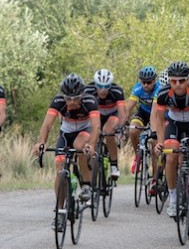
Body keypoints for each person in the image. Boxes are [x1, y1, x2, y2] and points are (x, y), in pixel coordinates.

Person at [32, 74, 100, 229]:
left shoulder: (90, 101)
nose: (72, 102)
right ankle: (60, 211)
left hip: (84, 132)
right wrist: (41, 142)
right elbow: (47, 125)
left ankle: (86, 184)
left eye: (76, 98)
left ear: (82, 95)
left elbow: (96, 127)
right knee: (60, 168)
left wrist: (91, 145)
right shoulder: (58, 101)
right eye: (68, 98)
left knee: (79, 146)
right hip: (65, 134)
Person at [152, 61, 189, 217]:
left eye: (182, 81)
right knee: (171, 158)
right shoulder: (163, 94)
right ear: (169, 81)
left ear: (188, 80)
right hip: (175, 125)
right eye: (174, 81)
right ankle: (172, 200)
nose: (177, 85)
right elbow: (159, 120)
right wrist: (160, 142)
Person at [83, 69, 126, 179]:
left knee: (108, 131)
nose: (103, 90)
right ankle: (91, 167)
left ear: (110, 85)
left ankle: (114, 165)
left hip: (113, 114)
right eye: (99, 86)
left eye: (106, 86)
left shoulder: (117, 91)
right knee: (93, 136)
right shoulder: (88, 91)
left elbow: (122, 113)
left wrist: (120, 128)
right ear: (95, 84)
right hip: (97, 115)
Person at [125, 66, 159, 174]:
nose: (146, 85)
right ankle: (137, 157)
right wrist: (124, 122)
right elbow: (128, 108)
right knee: (132, 130)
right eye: (143, 82)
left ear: (154, 80)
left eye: (149, 82)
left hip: (156, 114)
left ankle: (155, 177)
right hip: (143, 113)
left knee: (154, 143)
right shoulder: (137, 89)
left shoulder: (159, 88)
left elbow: (155, 112)